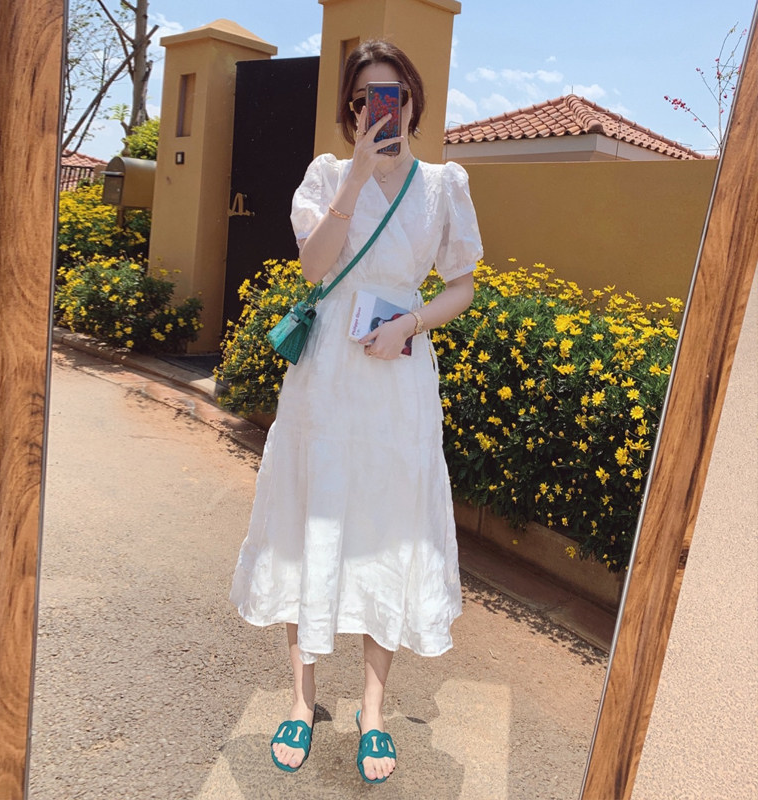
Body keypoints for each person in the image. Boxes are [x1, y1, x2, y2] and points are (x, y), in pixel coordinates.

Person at [229, 38, 483, 784]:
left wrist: (412, 323)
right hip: (328, 377)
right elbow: (315, 266)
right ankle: (302, 700)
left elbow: (462, 284)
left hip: (398, 375)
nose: (382, 108)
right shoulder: (326, 176)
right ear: (352, 108)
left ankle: (373, 712)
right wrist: (359, 176)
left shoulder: (443, 185)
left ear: (412, 101)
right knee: (307, 516)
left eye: (393, 95)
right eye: (369, 97)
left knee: (387, 528)